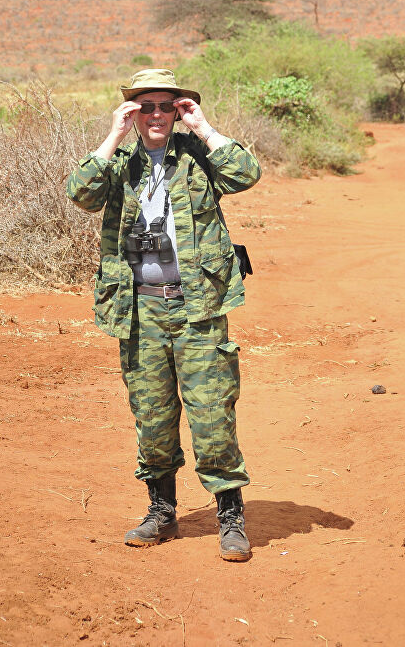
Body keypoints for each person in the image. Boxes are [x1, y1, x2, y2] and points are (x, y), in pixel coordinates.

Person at [66, 68, 261, 561]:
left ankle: (230, 516)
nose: (156, 116)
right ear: (133, 113)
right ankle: (161, 510)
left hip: (196, 307)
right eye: (145, 107)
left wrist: (203, 127)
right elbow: (81, 194)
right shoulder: (120, 165)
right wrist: (113, 134)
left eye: (166, 106)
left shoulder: (199, 158)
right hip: (139, 311)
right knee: (151, 417)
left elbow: (246, 174)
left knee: (213, 416)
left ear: (178, 110)